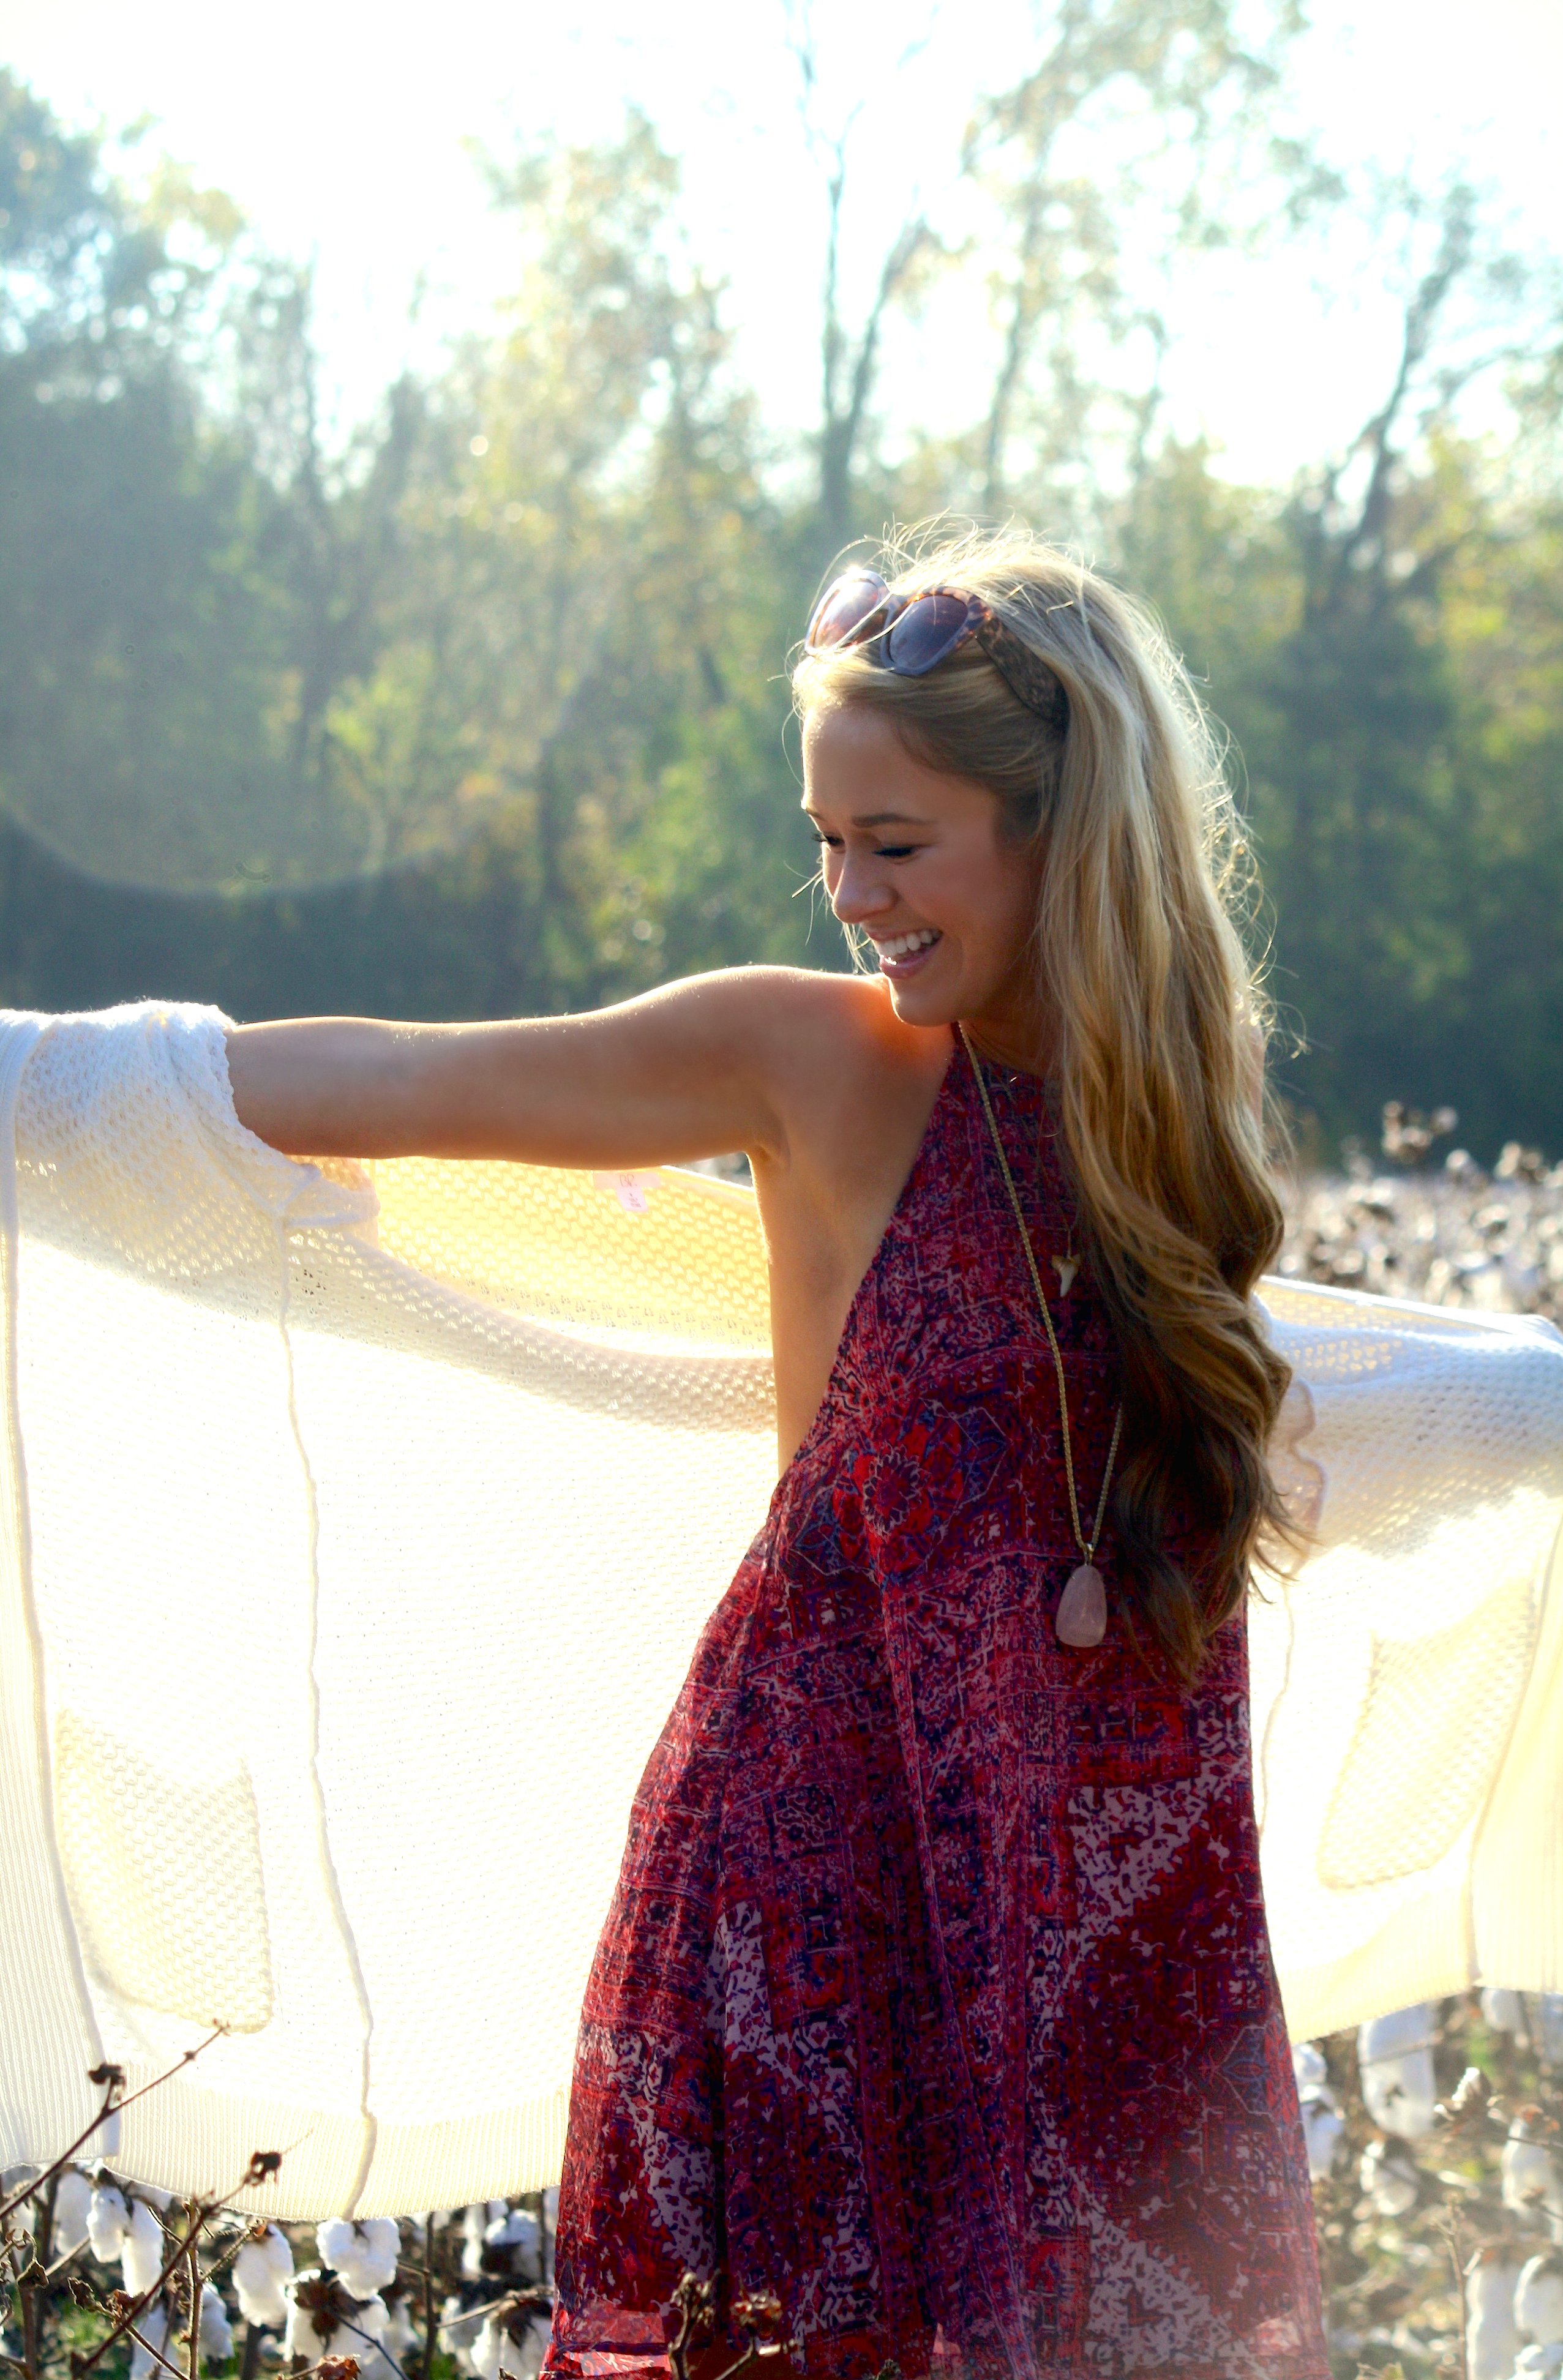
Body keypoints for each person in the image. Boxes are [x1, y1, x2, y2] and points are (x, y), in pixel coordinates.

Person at [228, 526, 1328, 2380]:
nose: (847, 893)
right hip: (823, 1945)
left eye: (893, 845)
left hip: (1117, 1971)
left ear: (1067, 834)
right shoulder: (813, 1068)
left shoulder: (1177, 1153)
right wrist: (61, 1076)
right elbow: (399, 1079)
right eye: (825, 842)